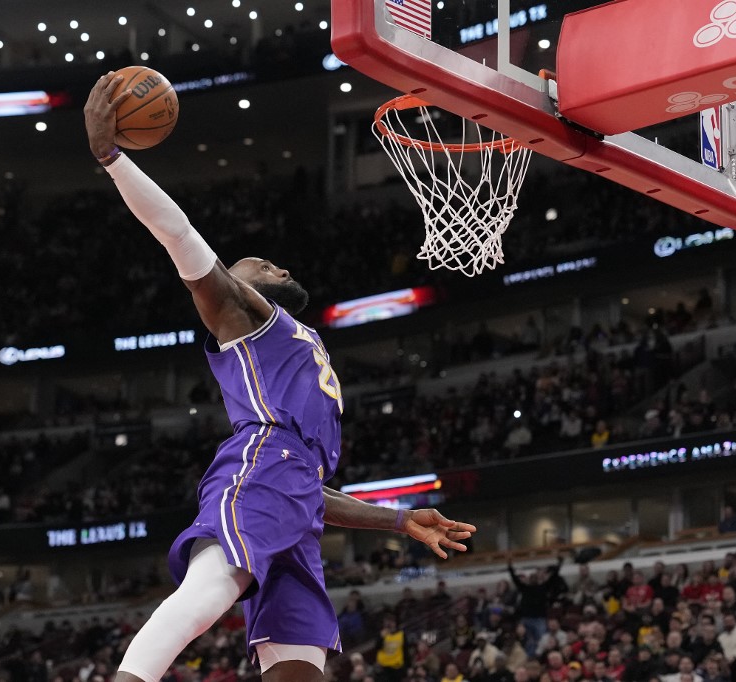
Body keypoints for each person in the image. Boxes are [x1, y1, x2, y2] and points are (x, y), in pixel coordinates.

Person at [84, 73, 476, 682]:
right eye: (252, 260)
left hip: (292, 489)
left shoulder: (298, 342)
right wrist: (112, 158)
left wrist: (400, 519)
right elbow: (178, 234)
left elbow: (309, 491)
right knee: (215, 582)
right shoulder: (244, 317)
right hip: (260, 463)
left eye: (265, 261)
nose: (268, 261)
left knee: (299, 663)